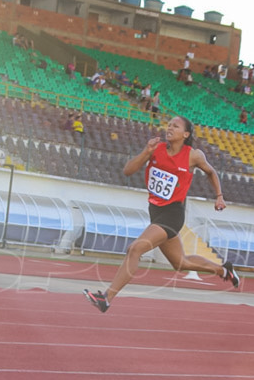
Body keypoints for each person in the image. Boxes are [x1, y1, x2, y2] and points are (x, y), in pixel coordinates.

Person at [83, 116, 240, 313]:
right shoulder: (156, 149)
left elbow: (211, 172)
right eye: (169, 124)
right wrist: (146, 152)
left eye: (176, 126)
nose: (170, 127)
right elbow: (128, 171)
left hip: (172, 214)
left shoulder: (193, 155)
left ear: (186, 134)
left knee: (135, 249)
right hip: (155, 212)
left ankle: (106, 297)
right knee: (180, 263)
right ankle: (224, 269)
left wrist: (219, 196)